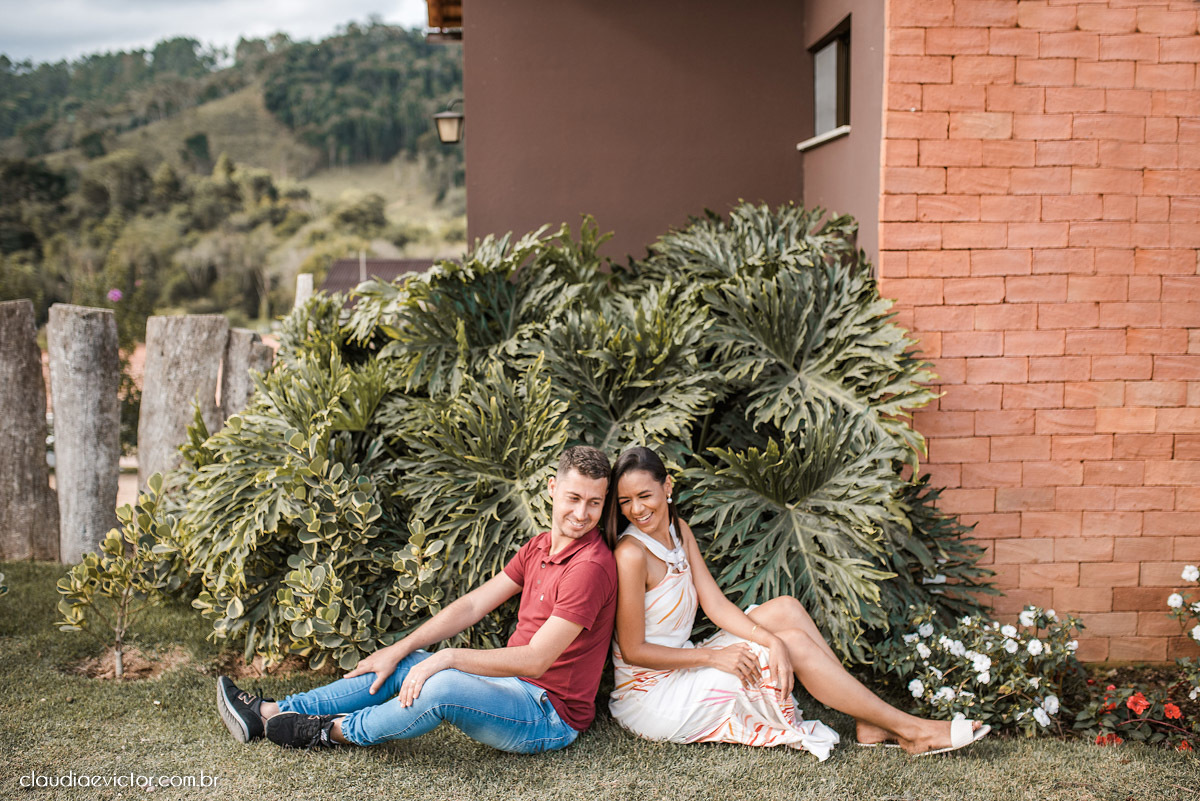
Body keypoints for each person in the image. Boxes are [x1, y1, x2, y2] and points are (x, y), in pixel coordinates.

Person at [216, 445, 618, 754]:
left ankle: (326, 732)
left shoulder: (590, 567)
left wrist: (447, 656)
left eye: (594, 503)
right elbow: (473, 605)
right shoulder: (540, 546)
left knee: (440, 687)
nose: (581, 513)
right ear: (552, 488)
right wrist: (402, 647)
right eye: (573, 498)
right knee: (406, 663)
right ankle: (269, 711)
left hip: (546, 714)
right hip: (512, 684)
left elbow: (536, 660)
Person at [607, 446, 990, 759]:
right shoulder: (631, 554)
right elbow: (634, 650)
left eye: (645, 495)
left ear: (667, 486)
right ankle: (910, 730)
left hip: (681, 666)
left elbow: (716, 605)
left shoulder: (677, 528)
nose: (637, 509)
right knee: (793, 643)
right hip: (651, 696)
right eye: (625, 501)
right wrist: (713, 657)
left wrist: (769, 639)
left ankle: (869, 721)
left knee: (787, 608)